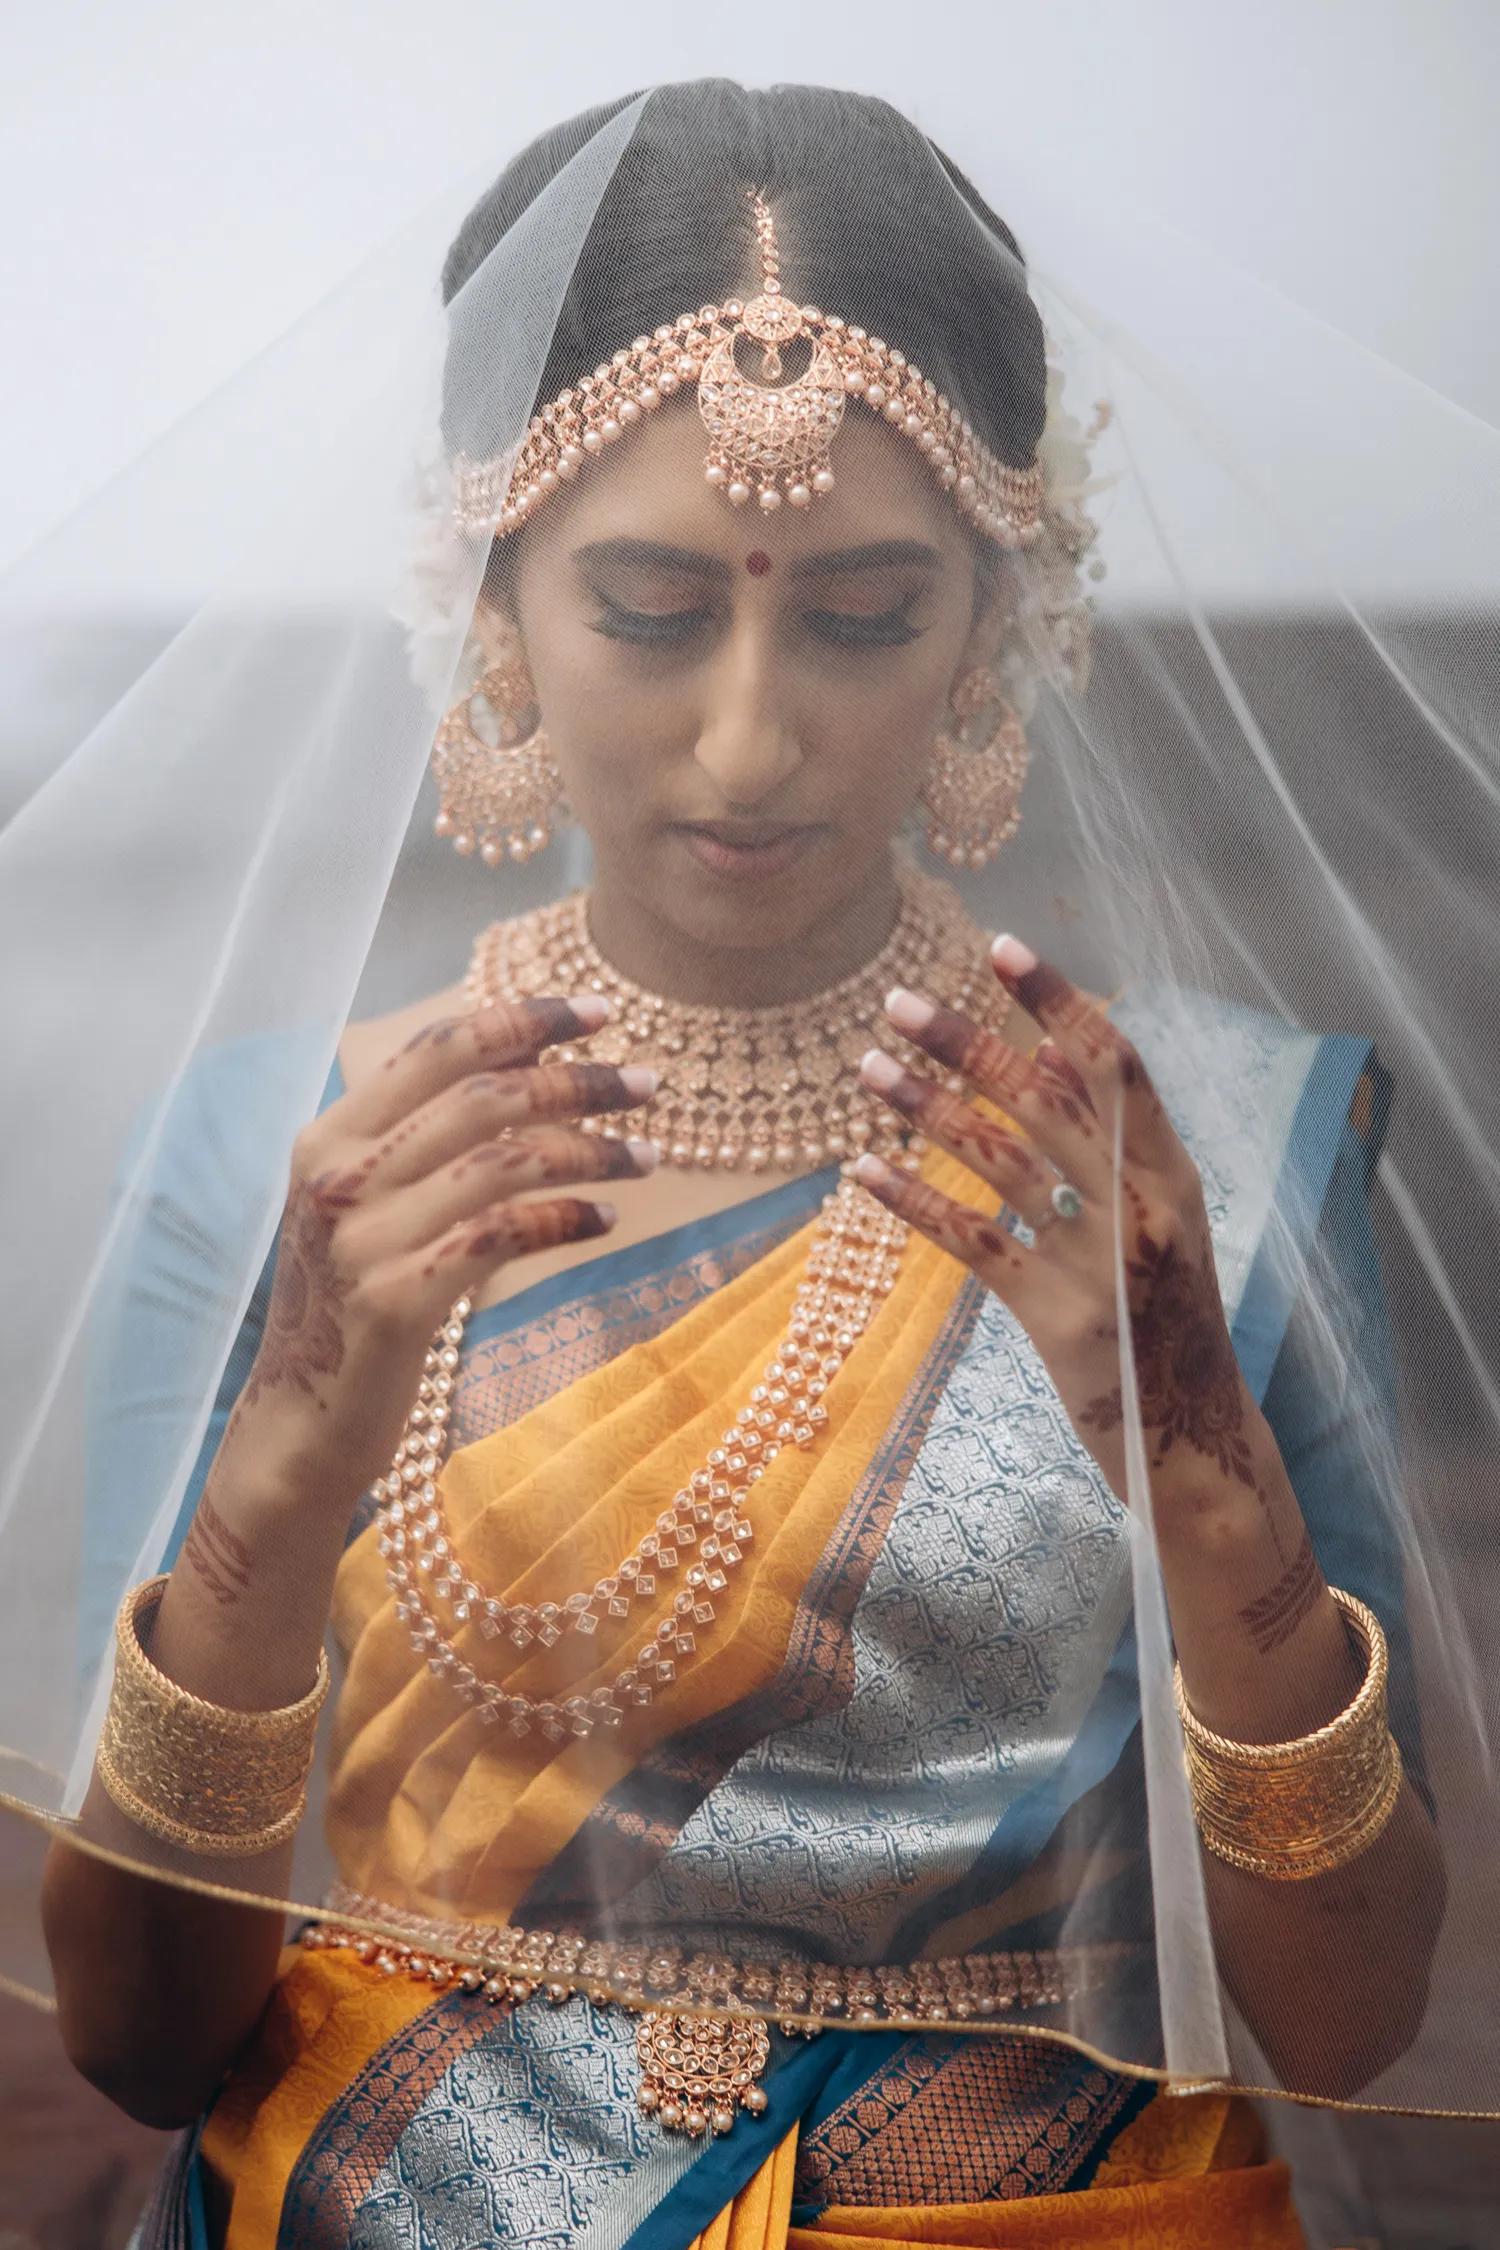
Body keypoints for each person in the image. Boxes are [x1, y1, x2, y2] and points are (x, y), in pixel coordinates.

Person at [24, 79, 1462, 2250]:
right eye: (650, 608)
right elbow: (143, 2037)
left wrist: (1198, 1473)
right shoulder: (298, 1168)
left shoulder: (1189, 1169)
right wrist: (277, 1492)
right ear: (491, 596)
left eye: (863, 618)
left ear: (993, 619)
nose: (750, 737)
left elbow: (1350, 2018)